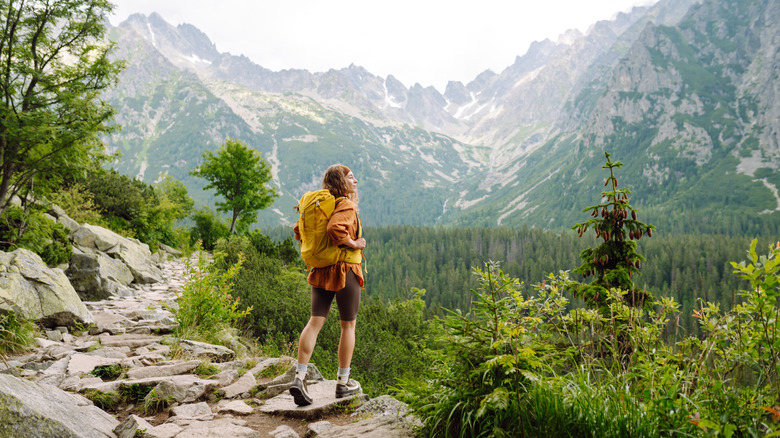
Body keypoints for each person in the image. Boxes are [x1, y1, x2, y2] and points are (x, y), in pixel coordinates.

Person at [290, 164, 366, 406]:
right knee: (348, 326)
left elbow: (298, 231)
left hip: (321, 270)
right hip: (345, 269)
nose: (355, 181)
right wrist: (354, 243)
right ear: (341, 182)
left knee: (314, 322)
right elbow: (335, 229)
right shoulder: (345, 204)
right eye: (351, 177)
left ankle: (299, 377)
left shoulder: (318, 205)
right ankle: (343, 384)